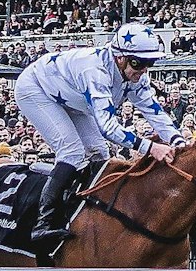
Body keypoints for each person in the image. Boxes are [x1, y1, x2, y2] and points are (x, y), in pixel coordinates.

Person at [13, 23, 184, 256]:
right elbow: (108, 128)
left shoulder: (135, 75)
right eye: (138, 63)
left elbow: (154, 112)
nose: (143, 70)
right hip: (36, 89)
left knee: (99, 153)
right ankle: (43, 223)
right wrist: (150, 147)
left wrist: (179, 141)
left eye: (149, 63)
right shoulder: (95, 71)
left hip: (72, 96)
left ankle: (84, 213)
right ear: (120, 58)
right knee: (72, 152)